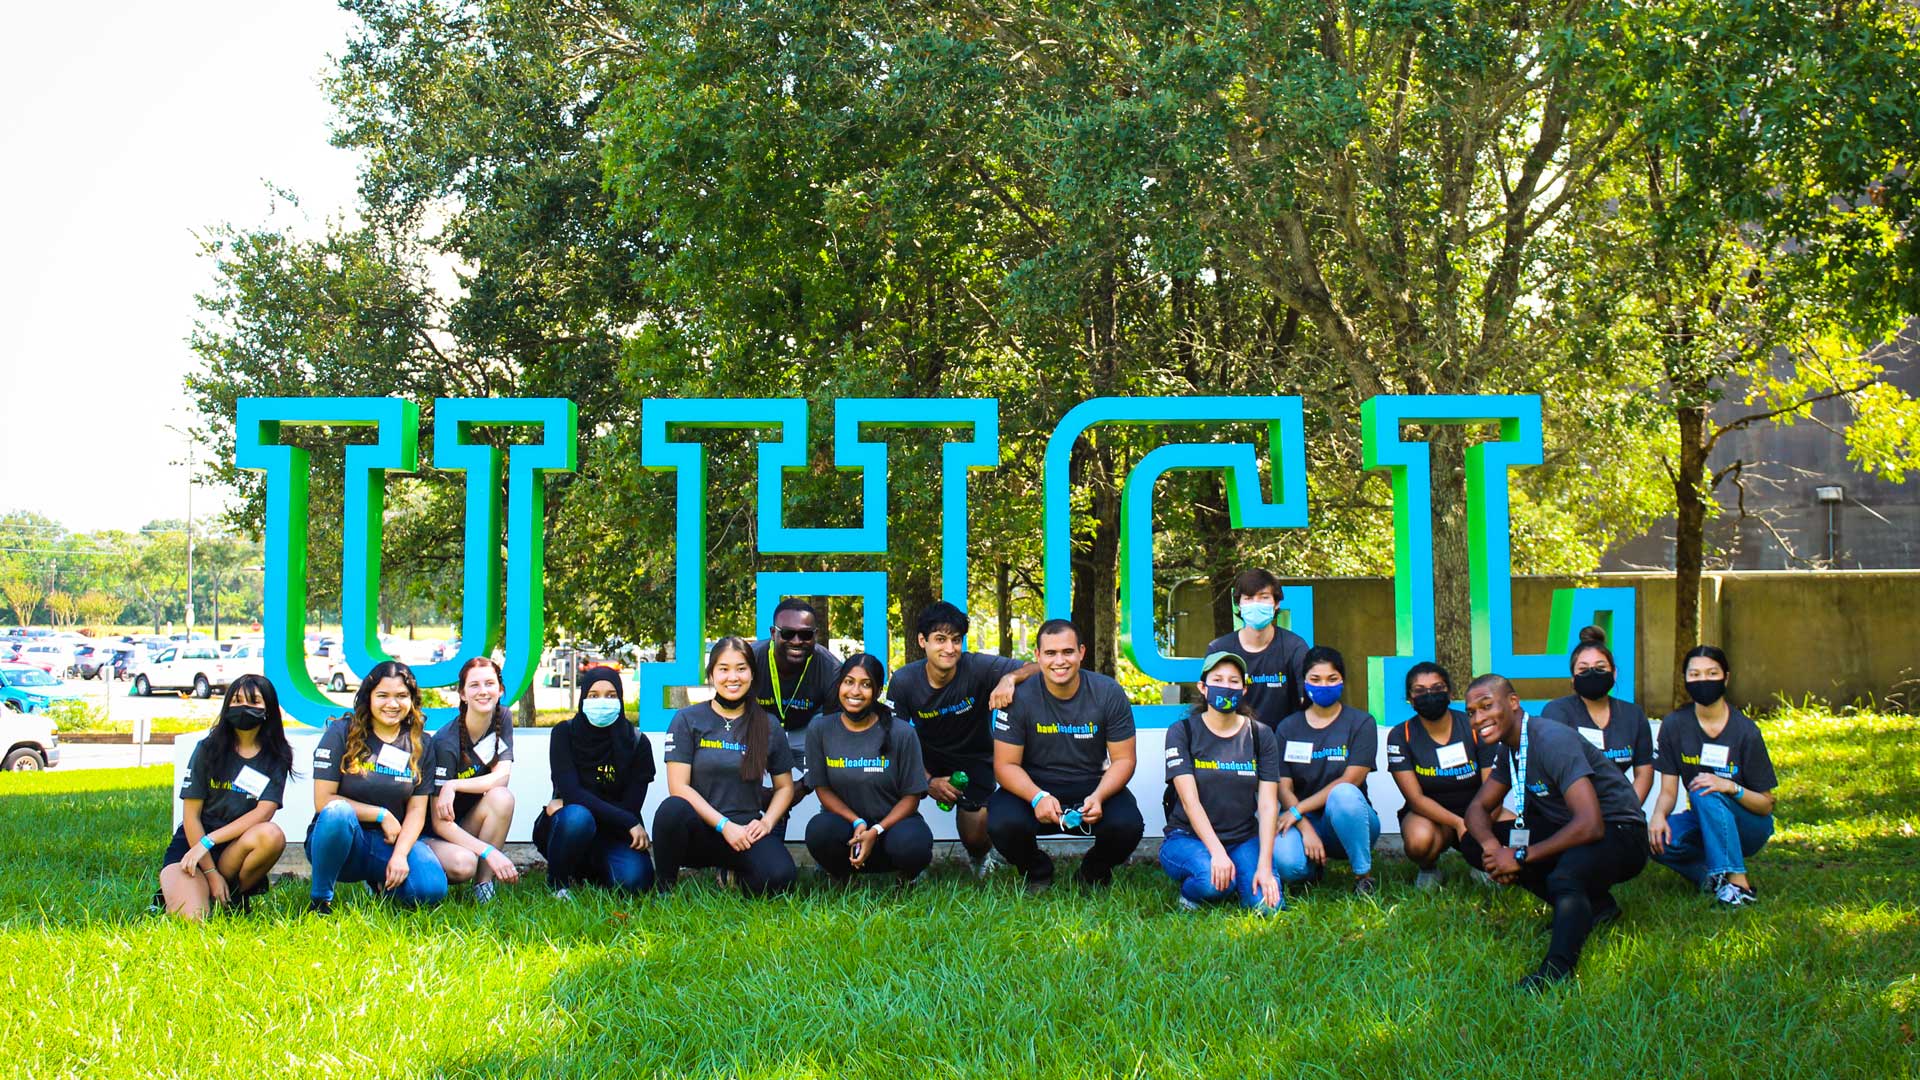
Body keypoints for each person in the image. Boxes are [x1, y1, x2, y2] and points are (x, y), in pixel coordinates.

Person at [1462, 674, 1650, 992]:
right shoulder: (1511, 748)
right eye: (1471, 712)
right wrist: (1494, 848)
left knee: (1565, 877)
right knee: (1472, 844)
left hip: (1621, 832)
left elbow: (1591, 823)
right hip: (1572, 827)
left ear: (1513, 703)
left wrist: (1519, 856)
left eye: (1486, 706)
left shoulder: (1550, 739)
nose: (1479, 718)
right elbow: (1476, 810)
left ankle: (1556, 971)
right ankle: (1597, 906)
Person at [987, 619, 1143, 893]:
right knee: (1001, 822)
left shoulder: (1108, 693)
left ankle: (1093, 872)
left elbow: (1124, 760)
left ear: (1081, 652)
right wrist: (1038, 797)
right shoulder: (1018, 698)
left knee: (1128, 825)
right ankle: (1036, 871)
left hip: (1092, 785)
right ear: (1037, 656)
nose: (1060, 661)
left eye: (1068, 652)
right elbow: (1005, 765)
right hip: (1033, 788)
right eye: (1050, 653)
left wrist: (1100, 796)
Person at [884, 600, 1037, 876]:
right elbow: (895, 741)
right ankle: (910, 859)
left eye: (956, 640)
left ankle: (980, 857)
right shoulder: (904, 681)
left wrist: (1010, 678)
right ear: (922, 641)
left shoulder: (977, 666)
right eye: (940, 640)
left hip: (974, 758)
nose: (950, 648)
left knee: (975, 837)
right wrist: (927, 780)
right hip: (923, 757)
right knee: (887, 786)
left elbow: (1037, 667)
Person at [654, 637, 799, 897]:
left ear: (752, 674)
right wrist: (723, 825)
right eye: (724, 669)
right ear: (711, 674)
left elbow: (785, 787)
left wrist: (766, 823)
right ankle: (665, 888)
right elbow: (678, 786)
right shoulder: (688, 719)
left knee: (781, 878)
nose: (733, 677)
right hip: (700, 830)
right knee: (671, 810)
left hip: (745, 832)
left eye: (741, 668)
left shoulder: (768, 725)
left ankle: (729, 876)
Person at [306, 660, 448, 912]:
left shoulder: (421, 743)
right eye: (382, 695)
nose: (392, 704)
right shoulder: (341, 732)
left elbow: (417, 811)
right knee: (338, 811)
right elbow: (323, 800)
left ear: (412, 700)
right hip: (344, 840)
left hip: (389, 842)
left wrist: (401, 855)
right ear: (368, 697)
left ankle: (382, 885)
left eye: (402, 696)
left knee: (431, 889)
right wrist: (380, 814)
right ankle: (320, 900)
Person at [1648, 645, 1778, 907]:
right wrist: (1659, 817)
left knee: (1703, 788)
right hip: (1703, 817)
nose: (1703, 680)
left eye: (1711, 673)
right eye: (1694, 674)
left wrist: (1731, 787)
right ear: (1684, 679)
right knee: (1652, 840)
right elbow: (1669, 792)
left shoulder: (1746, 732)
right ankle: (1712, 880)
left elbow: (1766, 805)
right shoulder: (1674, 725)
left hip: (1749, 823)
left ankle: (1739, 884)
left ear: (1726, 678)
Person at [157, 673, 292, 919]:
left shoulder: (277, 756)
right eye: (237, 700)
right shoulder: (207, 749)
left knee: (271, 834)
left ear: (269, 709)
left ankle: (236, 894)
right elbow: (191, 816)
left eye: (254, 702)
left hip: (235, 846)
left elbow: (264, 812)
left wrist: (210, 842)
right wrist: (208, 867)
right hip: (192, 845)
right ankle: (193, 891)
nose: (244, 707)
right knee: (194, 920)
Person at [1158, 651, 1284, 912]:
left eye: (1233, 681)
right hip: (1188, 838)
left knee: (1268, 907)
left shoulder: (1261, 735)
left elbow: (1269, 804)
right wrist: (1216, 852)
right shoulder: (1182, 732)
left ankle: (1238, 874)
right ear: (1203, 687)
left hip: (1243, 838)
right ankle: (1192, 894)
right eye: (1218, 679)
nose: (1226, 687)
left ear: (1244, 689)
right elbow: (1190, 802)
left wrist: (1264, 865)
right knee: (1214, 884)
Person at [804, 653, 935, 885]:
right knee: (818, 830)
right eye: (849, 682)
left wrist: (875, 830)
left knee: (913, 843)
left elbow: (912, 797)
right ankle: (843, 876)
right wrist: (857, 822)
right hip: (848, 831)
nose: (855, 691)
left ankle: (906, 878)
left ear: (877, 691)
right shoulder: (820, 729)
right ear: (839, 685)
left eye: (866, 685)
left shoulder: (902, 732)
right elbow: (822, 788)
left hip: (892, 831)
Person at [532, 666, 655, 898]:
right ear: (583, 698)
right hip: (572, 828)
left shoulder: (637, 743)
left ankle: (589, 870)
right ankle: (558, 883)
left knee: (636, 883)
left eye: (611, 695)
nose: (602, 701)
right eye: (594, 695)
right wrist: (628, 821)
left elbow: (630, 804)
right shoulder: (564, 734)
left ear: (620, 699)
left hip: (615, 834)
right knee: (577, 817)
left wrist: (571, 800)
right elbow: (573, 792)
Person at [1274, 646, 1381, 896]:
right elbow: (1283, 786)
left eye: (1332, 679)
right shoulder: (1288, 727)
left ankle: (1363, 876)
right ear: (1304, 682)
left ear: (1342, 680)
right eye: (1315, 679)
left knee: (1343, 793)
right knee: (1289, 867)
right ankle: (1313, 867)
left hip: (1350, 817)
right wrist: (1304, 825)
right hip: (1303, 820)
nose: (1324, 685)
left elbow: (1352, 779)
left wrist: (1298, 810)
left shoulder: (1361, 722)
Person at [1386, 661, 1499, 889]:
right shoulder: (1401, 735)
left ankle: (1481, 863)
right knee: (1419, 841)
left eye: (1437, 688)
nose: (1429, 695)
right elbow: (1415, 799)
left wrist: (1476, 821)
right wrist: (1459, 823)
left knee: (1518, 830)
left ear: (1450, 692)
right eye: (1420, 691)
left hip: (1480, 807)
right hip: (1430, 815)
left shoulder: (1473, 725)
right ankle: (1429, 868)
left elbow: (1492, 787)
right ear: (1410, 698)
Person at [424, 657, 520, 902]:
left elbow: (502, 777)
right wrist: (489, 851)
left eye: (489, 683)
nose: (483, 691)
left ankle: (484, 886)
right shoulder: (446, 743)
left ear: (500, 690)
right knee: (462, 865)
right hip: (435, 834)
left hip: (466, 822)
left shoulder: (503, 717)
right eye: (474, 685)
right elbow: (439, 824)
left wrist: (454, 784)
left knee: (502, 798)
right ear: (463, 694)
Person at [1541, 626, 1654, 804]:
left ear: (1614, 673)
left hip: (1618, 809)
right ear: (1572, 678)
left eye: (1600, 667)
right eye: (1583, 669)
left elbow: (1644, 772)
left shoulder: (1633, 715)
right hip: (1569, 811)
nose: (1592, 673)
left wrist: (1627, 810)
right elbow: (1556, 772)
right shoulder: (1556, 712)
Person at [751, 598, 843, 814]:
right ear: (773, 632)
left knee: (840, 769)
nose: (797, 640)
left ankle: (834, 826)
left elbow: (835, 739)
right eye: (787, 633)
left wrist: (800, 788)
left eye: (806, 634)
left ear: (815, 635)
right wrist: (758, 793)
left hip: (807, 731)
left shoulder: (830, 668)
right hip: (759, 729)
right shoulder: (750, 659)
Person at [1203, 568, 1310, 730]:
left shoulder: (1295, 647)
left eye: (1264, 597)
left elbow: (1307, 700)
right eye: (1249, 598)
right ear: (1239, 605)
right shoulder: (1219, 649)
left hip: (1283, 743)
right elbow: (1209, 704)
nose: (1256, 604)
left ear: (1276, 604)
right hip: (1235, 744)